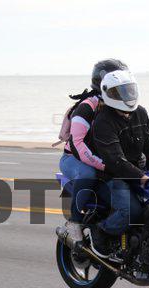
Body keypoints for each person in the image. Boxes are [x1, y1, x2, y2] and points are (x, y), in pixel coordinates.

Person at [88, 69, 149, 258]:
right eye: (119, 92)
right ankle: (101, 231)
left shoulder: (140, 113)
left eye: (128, 90)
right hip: (112, 176)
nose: (126, 96)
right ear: (108, 93)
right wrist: (143, 178)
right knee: (131, 211)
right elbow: (116, 160)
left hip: (137, 171)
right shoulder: (103, 121)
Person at [59, 59, 128, 244]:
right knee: (88, 173)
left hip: (100, 157)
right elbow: (78, 145)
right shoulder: (88, 106)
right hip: (73, 158)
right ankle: (74, 221)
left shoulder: (119, 105)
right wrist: (103, 165)